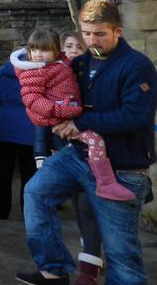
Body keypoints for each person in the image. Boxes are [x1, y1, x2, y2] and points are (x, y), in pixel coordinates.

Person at [18, 0, 157, 285]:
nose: (92, 40)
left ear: (117, 31)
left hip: (123, 167)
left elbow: (136, 115)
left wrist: (80, 123)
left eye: (99, 34)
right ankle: (54, 271)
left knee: (121, 254)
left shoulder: (136, 65)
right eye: (86, 33)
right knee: (35, 193)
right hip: (79, 156)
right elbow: (55, 90)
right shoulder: (79, 64)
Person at [12, 28, 133, 202]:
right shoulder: (37, 71)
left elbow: (99, 55)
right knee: (93, 142)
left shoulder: (64, 66)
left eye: (79, 46)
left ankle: (101, 183)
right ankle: (105, 183)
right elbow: (34, 102)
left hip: (72, 120)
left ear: (55, 52)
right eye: (69, 46)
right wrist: (63, 111)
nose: (38, 54)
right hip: (61, 122)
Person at [34, 31, 103, 285]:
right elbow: (42, 115)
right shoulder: (54, 74)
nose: (73, 50)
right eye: (69, 46)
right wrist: (41, 152)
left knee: (87, 206)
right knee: (73, 204)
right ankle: (58, 267)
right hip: (62, 150)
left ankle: (89, 267)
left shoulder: (92, 76)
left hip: (92, 151)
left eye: (78, 46)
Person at [0, 52, 37, 219]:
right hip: (29, 128)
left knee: (3, 172)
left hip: (1, 128)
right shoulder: (35, 74)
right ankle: (29, 212)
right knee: (29, 172)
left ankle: (0, 210)